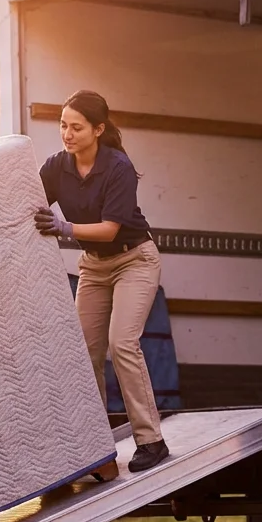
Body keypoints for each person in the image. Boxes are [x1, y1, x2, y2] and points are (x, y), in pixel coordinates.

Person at [34, 90, 171, 473]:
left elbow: (111, 230)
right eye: (63, 125)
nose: (67, 133)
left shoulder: (118, 167)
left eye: (76, 127)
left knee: (122, 343)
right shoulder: (55, 168)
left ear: (98, 130)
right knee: (84, 354)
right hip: (93, 267)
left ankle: (151, 440)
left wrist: (63, 227)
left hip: (134, 260)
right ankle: (95, 447)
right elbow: (26, 204)